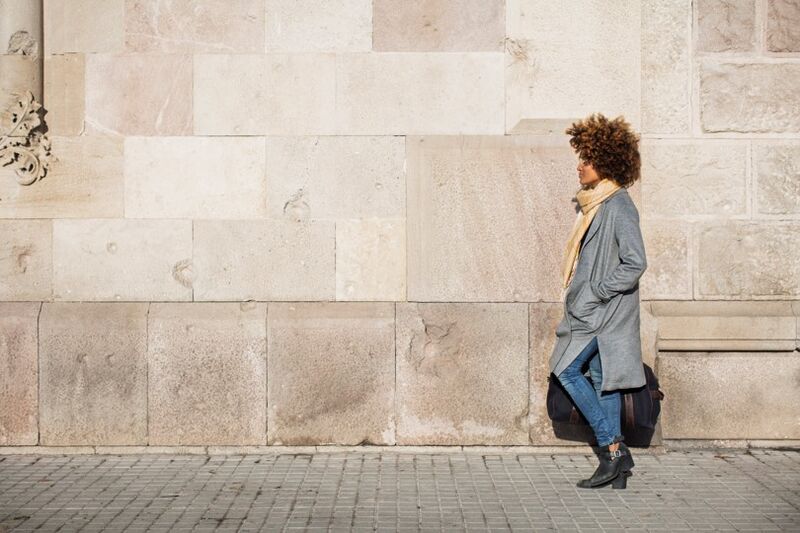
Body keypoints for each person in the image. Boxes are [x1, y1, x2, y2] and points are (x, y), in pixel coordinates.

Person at [549, 113, 648, 490]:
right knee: (603, 380)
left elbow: (635, 262)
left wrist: (595, 292)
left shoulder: (618, 205)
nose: (580, 166)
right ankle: (615, 466)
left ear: (606, 163)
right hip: (595, 312)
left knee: (565, 369)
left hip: (601, 315)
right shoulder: (597, 204)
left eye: (587, 159)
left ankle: (613, 448)